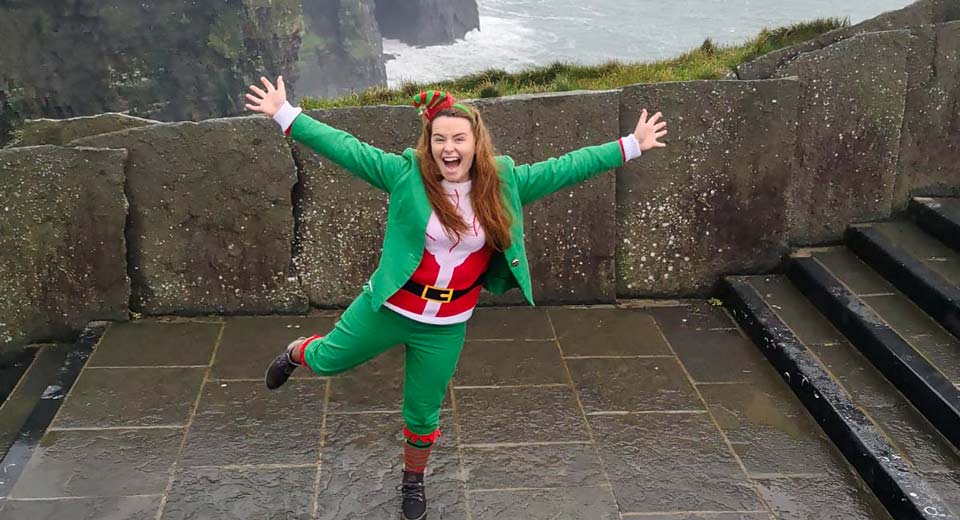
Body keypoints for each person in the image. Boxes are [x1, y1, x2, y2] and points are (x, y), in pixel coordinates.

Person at [245, 75, 666, 520]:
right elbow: (347, 148)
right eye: (439, 139)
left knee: (423, 413)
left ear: (475, 142)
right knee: (330, 360)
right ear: (429, 144)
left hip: (446, 324)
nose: (449, 148)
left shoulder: (504, 182)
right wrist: (285, 114)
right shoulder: (406, 174)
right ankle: (295, 353)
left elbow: (566, 167)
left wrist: (632, 144)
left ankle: (413, 481)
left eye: (459, 139)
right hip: (388, 307)